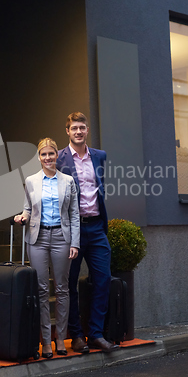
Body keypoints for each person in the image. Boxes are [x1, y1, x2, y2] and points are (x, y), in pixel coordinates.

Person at [56, 112, 119, 354]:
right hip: (71, 230)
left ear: (87, 129)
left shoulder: (99, 156)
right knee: (69, 283)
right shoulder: (59, 158)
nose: (78, 131)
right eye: (74, 128)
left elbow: (98, 189)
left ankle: (95, 334)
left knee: (103, 279)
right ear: (68, 131)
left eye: (82, 127)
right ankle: (76, 336)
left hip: (96, 227)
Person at [15, 138, 80, 358]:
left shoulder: (68, 181)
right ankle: (46, 342)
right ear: (39, 157)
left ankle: (61, 338)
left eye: (51, 154)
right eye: (44, 155)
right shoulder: (31, 180)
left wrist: (75, 243)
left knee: (62, 289)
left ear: (56, 156)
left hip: (62, 238)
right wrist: (22, 216)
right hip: (38, 237)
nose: (48, 158)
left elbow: (74, 214)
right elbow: (27, 208)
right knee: (41, 290)